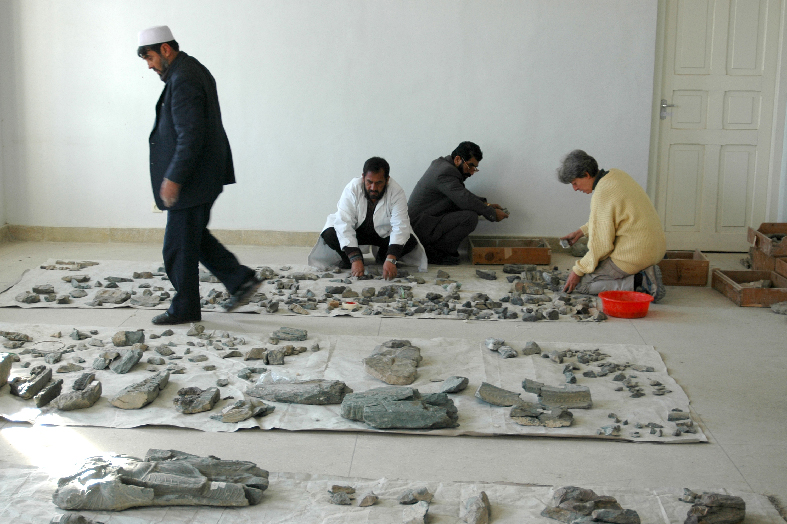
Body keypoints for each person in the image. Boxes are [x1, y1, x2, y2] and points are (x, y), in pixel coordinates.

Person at [137, 25, 261, 325]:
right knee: (192, 238)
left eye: (151, 57)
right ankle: (239, 279)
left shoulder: (184, 78)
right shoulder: (188, 71)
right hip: (202, 175)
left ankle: (185, 308)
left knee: (177, 247)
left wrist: (175, 178)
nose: (150, 66)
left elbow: (190, 134)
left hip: (193, 179)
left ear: (166, 49)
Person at [557, 149, 666, 301]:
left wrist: (578, 270)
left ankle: (641, 282)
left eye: (575, 183)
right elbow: (610, 217)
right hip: (654, 249)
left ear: (587, 175)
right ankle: (643, 272)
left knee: (583, 284)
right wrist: (582, 231)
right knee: (590, 268)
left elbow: (601, 246)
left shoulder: (602, 193)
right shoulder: (616, 175)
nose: (575, 188)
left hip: (635, 255)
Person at [308, 157, 427, 279]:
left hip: (382, 234)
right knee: (330, 233)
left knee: (409, 240)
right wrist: (355, 258)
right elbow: (344, 223)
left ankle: (383, 257)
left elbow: (400, 225)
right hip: (358, 231)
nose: (373, 188)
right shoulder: (352, 188)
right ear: (363, 177)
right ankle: (350, 260)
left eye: (379, 183)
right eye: (369, 182)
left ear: (387, 180)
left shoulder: (396, 192)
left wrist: (391, 258)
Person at [407, 141, 508, 265]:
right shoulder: (445, 172)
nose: (471, 172)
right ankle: (434, 253)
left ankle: (437, 251)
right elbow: (464, 198)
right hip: (419, 228)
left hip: (425, 222)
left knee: (467, 210)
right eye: (470, 166)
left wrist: (486, 205)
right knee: (469, 217)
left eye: (474, 168)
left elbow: (460, 194)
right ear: (458, 159)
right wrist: (491, 213)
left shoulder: (443, 166)